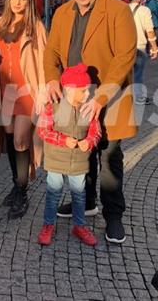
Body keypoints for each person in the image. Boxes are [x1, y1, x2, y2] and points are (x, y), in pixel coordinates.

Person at [44, 0, 137, 244]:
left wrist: (100, 97)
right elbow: (52, 51)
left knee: (108, 156)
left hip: (109, 93)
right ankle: (85, 202)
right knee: (80, 153)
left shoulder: (117, 10)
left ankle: (114, 215)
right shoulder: (62, 13)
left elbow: (125, 55)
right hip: (72, 96)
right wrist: (50, 79)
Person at [0, 0, 47, 219]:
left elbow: (44, 60)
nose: (18, 2)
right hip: (5, 90)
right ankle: (16, 183)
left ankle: (22, 192)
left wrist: (42, 91)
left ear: (29, 1)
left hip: (26, 90)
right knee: (10, 139)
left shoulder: (36, 27)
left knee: (21, 141)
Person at [36, 63, 101, 247]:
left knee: (79, 194)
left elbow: (96, 131)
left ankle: (79, 226)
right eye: (84, 91)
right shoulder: (54, 106)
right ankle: (48, 225)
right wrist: (62, 140)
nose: (88, 94)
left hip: (79, 160)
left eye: (88, 90)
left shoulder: (88, 108)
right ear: (70, 91)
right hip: (56, 159)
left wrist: (89, 141)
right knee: (53, 192)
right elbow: (43, 130)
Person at [128, 0, 158, 105]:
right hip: (139, 46)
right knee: (138, 73)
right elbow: (150, 31)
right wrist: (154, 47)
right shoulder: (145, 10)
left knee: (126, 73)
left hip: (125, 47)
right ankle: (139, 97)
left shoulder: (123, 8)